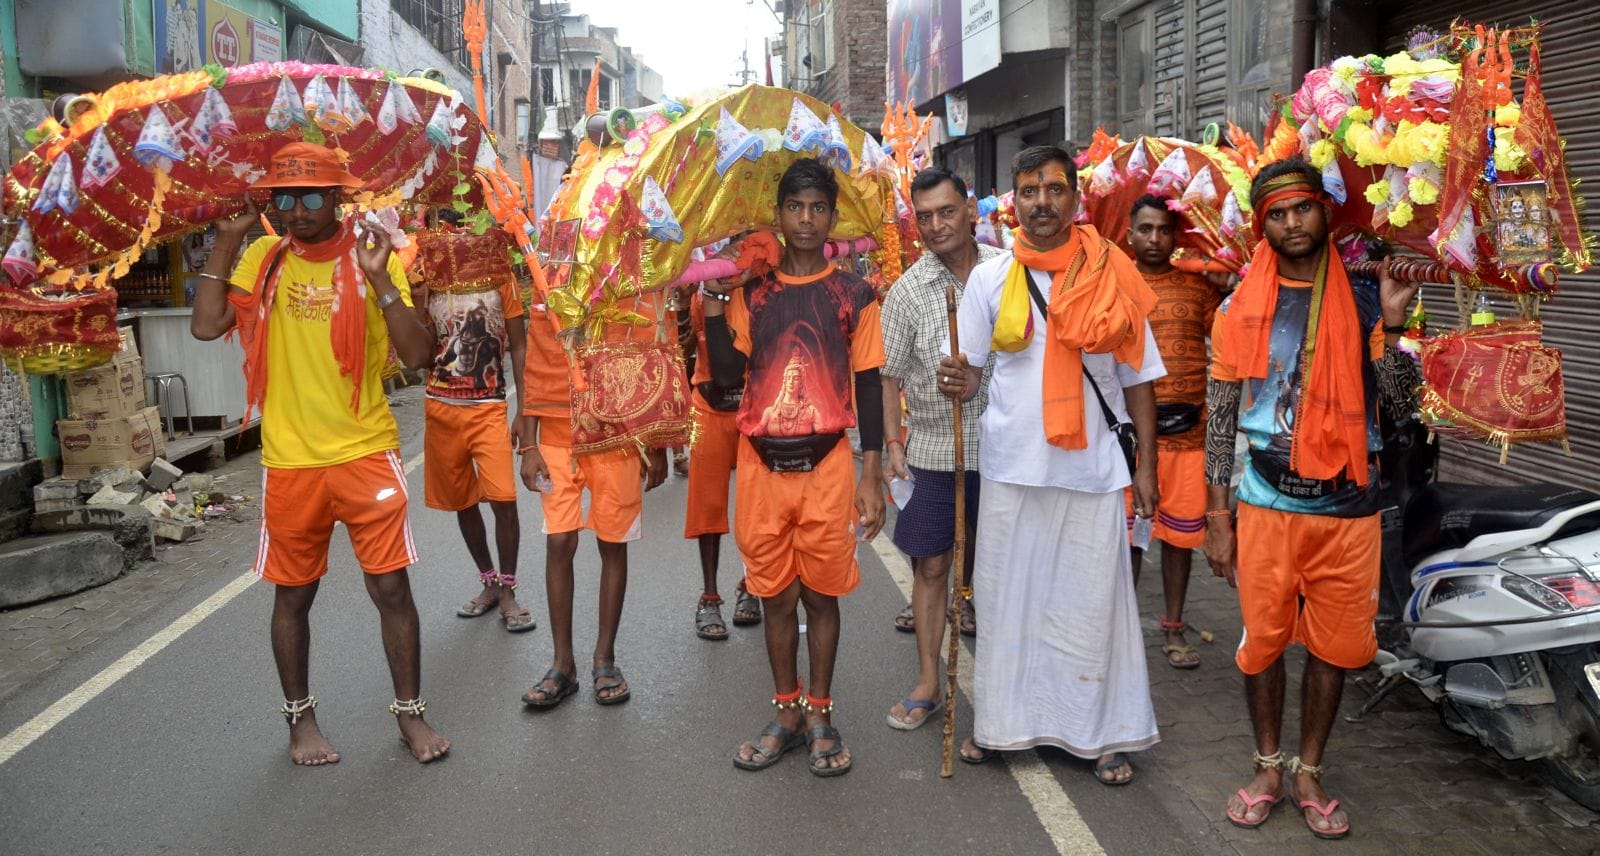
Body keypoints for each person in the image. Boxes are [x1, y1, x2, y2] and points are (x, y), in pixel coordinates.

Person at [190, 142, 449, 765]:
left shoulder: (371, 255)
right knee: (293, 596)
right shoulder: (264, 257)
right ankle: (300, 723)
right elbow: (205, 326)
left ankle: (411, 716)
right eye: (284, 197)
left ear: (338, 197)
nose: (297, 209)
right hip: (290, 461)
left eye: (310, 196)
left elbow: (418, 355)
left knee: (391, 590)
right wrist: (227, 240)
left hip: (365, 453)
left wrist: (383, 278)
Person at [1204, 157, 1419, 839]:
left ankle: (1310, 770)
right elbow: (1219, 411)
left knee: (1334, 645)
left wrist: (1392, 328)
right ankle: (1268, 764)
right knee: (1263, 644)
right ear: (1261, 223)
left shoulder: (1365, 296)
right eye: (1277, 213)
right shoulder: (1240, 304)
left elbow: (1403, 412)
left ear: (1326, 212)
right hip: (1266, 501)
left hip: (1349, 506)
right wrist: (1217, 514)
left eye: (1302, 208)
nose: (1291, 223)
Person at [938, 145, 1163, 785]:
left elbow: (1140, 378)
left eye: (1054, 190)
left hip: (1092, 468)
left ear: (1074, 198)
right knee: (1010, 602)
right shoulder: (989, 278)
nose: (1042, 203)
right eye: (1029, 191)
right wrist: (958, 376)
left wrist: (1145, 469)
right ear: (1014, 201)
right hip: (1012, 466)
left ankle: (1105, 734)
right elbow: (975, 370)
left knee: (1093, 604)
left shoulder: (1112, 272)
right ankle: (1005, 728)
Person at [705, 159, 886, 777]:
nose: (805, 219)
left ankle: (820, 712)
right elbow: (729, 380)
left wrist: (871, 473)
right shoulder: (752, 293)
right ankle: (785, 711)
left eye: (817, 208)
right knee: (775, 596)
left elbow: (867, 385)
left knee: (822, 595)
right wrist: (709, 301)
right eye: (794, 207)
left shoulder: (856, 295)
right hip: (760, 466)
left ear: (832, 218)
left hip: (828, 465)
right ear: (778, 215)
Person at [880, 167, 999, 729]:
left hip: (1005, 449)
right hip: (933, 449)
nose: (935, 225)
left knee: (1001, 570)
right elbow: (888, 375)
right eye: (923, 217)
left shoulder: (1008, 275)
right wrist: (893, 442)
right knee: (931, 566)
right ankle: (928, 680)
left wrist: (980, 378)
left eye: (945, 212)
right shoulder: (906, 291)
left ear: (970, 210)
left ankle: (1004, 692)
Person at [517, 276, 668, 709]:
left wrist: (655, 445)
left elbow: (653, 360)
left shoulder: (637, 278)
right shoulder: (550, 276)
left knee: (612, 542)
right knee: (559, 540)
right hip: (556, 434)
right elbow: (534, 366)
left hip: (618, 436)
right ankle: (562, 663)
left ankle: (605, 658)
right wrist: (529, 445)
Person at [1123, 195, 1226, 669]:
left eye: (1164, 230)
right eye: (1145, 229)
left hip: (1188, 436)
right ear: (1129, 232)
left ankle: (1174, 625)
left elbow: (1226, 336)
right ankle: (1118, 627)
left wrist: (1228, 292)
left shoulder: (1198, 287)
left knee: (1179, 539)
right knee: (1127, 538)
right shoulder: (1114, 284)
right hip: (1127, 440)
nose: (1154, 239)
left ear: (1175, 236)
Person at [413, 229, 534, 632]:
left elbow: (518, 345)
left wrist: (523, 410)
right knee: (463, 501)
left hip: (488, 408)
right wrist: (416, 299)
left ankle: (510, 588)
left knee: (503, 498)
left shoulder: (501, 277)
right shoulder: (428, 277)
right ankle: (489, 581)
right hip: (441, 409)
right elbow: (421, 349)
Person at [681, 281, 762, 640]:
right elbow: (684, 347)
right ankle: (709, 597)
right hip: (707, 408)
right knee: (707, 506)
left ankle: (752, 585)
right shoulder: (705, 290)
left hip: (754, 408)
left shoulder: (764, 291)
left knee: (757, 506)